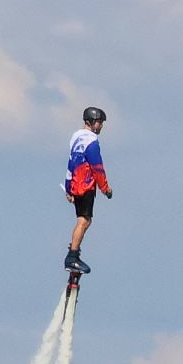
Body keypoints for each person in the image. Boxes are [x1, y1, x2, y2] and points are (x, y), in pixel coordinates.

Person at [62, 106, 113, 273]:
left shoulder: (75, 137)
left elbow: (71, 163)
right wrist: (105, 189)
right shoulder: (91, 141)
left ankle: (74, 251)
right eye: (99, 122)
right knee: (84, 220)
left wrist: (69, 188)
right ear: (91, 122)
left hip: (75, 183)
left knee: (84, 220)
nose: (101, 126)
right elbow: (97, 167)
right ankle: (72, 256)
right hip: (86, 184)